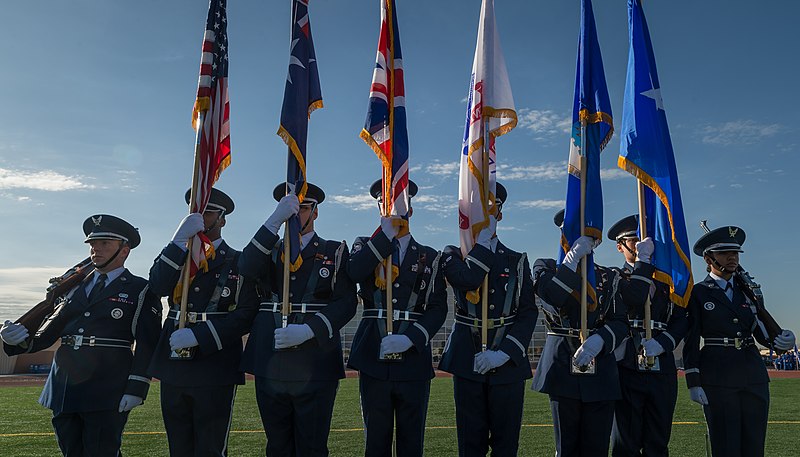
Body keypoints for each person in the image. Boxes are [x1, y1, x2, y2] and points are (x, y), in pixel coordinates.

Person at [1, 214, 161, 456]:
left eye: (105, 243)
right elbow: (49, 331)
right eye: (93, 244)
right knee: (70, 451)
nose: (96, 248)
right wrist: (18, 339)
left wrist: (137, 387)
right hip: (65, 384)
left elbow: (147, 342)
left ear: (124, 250)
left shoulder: (140, 289)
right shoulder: (72, 286)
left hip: (107, 386)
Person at [237, 182, 357, 457]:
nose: (295, 214)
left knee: (312, 447)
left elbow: (347, 302)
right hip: (271, 360)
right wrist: (273, 221)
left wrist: (310, 330)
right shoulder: (269, 249)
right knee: (277, 446)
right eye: (288, 208)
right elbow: (245, 267)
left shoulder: (334, 250)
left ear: (315, 212)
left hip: (316, 361)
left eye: (302, 208)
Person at [147, 188, 258, 457]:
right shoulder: (178, 256)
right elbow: (157, 286)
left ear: (223, 219)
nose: (202, 217)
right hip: (174, 363)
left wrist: (202, 336)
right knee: (179, 447)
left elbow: (246, 313)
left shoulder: (239, 260)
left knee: (210, 448)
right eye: (196, 211)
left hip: (215, 364)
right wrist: (176, 241)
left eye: (208, 212)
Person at [531, 209, 651, 457]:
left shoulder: (609, 276)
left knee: (596, 448)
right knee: (566, 449)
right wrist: (572, 260)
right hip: (562, 365)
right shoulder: (546, 267)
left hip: (601, 370)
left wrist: (600, 340)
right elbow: (554, 298)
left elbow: (620, 321)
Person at [346, 179, 447, 457]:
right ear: (378, 207)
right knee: (375, 442)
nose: (392, 206)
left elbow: (438, 308)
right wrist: (384, 238)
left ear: (411, 210)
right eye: (386, 201)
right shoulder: (365, 245)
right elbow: (354, 272)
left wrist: (411, 338)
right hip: (373, 355)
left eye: (400, 202)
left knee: (411, 441)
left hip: (413, 359)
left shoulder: (430, 255)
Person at [438, 182, 537, 457]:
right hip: (467, 356)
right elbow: (466, 278)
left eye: (491, 209)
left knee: (506, 445)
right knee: (471, 444)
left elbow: (528, 311)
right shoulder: (452, 254)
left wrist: (505, 354)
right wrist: (481, 247)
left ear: (499, 214)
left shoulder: (517, 260)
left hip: (506, 362)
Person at [684, 225, 796, 457]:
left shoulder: (749, 291)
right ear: (708, 258)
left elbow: (761, 331)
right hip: (718, 376)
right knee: (726, 445)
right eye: (725, 253)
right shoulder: (699, 293)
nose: (732, 257)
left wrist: (781, 340)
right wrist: (693, 380)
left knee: (754, 444)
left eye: (735, 253)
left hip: (753, 375)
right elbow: (692, 339)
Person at [606, 215, 688, 457]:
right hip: (627, 364)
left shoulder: (668, 281)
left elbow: (682, 319)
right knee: (626, 442)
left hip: (661, 365)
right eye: (633, 240)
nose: (640, 244)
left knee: (658, 439)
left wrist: (663, 344)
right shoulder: (614, 278)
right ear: (620, 246)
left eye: (643, 239)